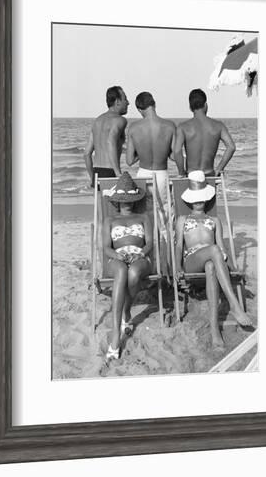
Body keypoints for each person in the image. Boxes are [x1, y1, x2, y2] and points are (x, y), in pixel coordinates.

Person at [174, 171, 252, 347]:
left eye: (201, 197)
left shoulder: (215, 220)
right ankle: (234, 304)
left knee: (211, 265)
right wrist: (178, 267)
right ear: (189, 199)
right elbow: (179, 245)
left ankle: (215, 330)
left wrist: (233, 268)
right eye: (195, 197)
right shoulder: (182, 219)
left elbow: (223, 250)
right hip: (192, 261)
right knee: (214, 250)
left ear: (207, 198)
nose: (198, 201)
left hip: (212, 258)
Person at [102, 172, 153, 360]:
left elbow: (149, 244)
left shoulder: (143, 217)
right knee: (123, 270)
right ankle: (116, 333)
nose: (126, 203)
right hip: (116, 258)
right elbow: (106, 247)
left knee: (133, 274)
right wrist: (118, 255)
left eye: (129, 199)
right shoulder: (109, 220)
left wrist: (140, 253)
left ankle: (126, 311)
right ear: (116, 201)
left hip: (139, 257)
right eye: (122, 200)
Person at [126, 91, 178, 209]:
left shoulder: (134, 128)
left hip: (143, 174)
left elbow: (129, 161)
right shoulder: (170, 126)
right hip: (161, 174)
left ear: (139, 109)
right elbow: (175, 156)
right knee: (164, 211)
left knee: (144, 211)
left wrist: (141, 152)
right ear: (154, 104)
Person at [174, 89, 236, 177]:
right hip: (209, 175)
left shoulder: (183, 127)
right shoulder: (219, 126)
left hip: (191, 176)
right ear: (205, 105)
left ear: (190, 108)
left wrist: (181, 172)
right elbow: (231, 147)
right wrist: (219, 168)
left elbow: (177, 151)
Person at [84, 86, 129, 187]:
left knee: (101, 203)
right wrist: (117, 173)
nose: (128, 102)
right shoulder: (120, 120)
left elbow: (87, 153)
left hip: (96, 173)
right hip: (111, 172)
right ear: (117, 101)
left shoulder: (97, 121)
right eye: (125, 99)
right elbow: (111, 142)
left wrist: (92, 178)